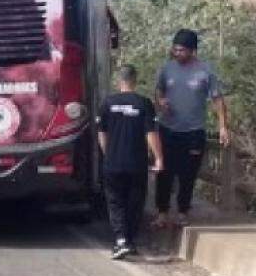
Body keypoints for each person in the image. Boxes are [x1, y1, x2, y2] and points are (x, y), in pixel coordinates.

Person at [153, 28, 230, 228]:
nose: (177, 53)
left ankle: (182, 212)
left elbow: (217, 99)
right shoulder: (166, 69)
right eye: (175, 49)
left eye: (181, 50)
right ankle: (162, 213)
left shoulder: (206, 71)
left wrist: (223, 127)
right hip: (168, 129)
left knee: (188, 174)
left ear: (193, 51)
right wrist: (161, 102)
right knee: (164, 173)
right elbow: (159, 91)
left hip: (194, 131)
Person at [98, 65, 165, 259]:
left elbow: (102, 133)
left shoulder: (107, 103)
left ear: (119, 81)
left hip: (113, 163)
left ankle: (121, 240)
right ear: (135, 81)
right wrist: (159, 158)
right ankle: (129, 240)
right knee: (134, 203)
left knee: (115, 201)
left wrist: (108, 153)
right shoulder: (143, 103)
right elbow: (151, 133)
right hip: (136, 163)